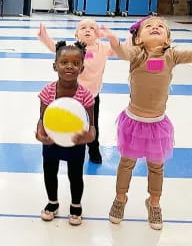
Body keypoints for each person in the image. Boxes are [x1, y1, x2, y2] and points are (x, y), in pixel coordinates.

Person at [101, 16, 192, 230]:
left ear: (168, 39)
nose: (155, 27)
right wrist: (114, 42)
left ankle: (154, 202)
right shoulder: (137, 54)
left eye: (161, 26)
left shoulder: (172, 55)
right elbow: (123, 52)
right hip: (134, 122)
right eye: (149, 26)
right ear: (139, 38)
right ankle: (120, 198)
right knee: (126, 163)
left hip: (157, 124)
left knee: (156, 166)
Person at [38, 19, 116, 164]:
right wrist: (44, 38)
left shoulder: (103, 49)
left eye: (92, 28)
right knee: (68, 120)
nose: (88, 30)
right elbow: (55, 48)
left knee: (93, 125)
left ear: (98, 34)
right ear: (76, 34)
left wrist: (114, 37)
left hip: (92, 96)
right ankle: (63, 143)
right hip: (72, 96)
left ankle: (94, 150)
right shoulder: (73, 50)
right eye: (83, 28)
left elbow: (119, 50)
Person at [36, 41, 96, 226]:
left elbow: (92, 126)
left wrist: (88, 137)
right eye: (64, 62)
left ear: (82, 67)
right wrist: (40, 134)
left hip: (76, 143)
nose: (70, 66)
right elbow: (42, 119)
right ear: (55, 66)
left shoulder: (85, 95)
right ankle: (52, 202)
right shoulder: (47, 91)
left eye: (75, 63)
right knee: (50, 171)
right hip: (52, 141)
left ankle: (76, 205)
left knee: (75, 175)